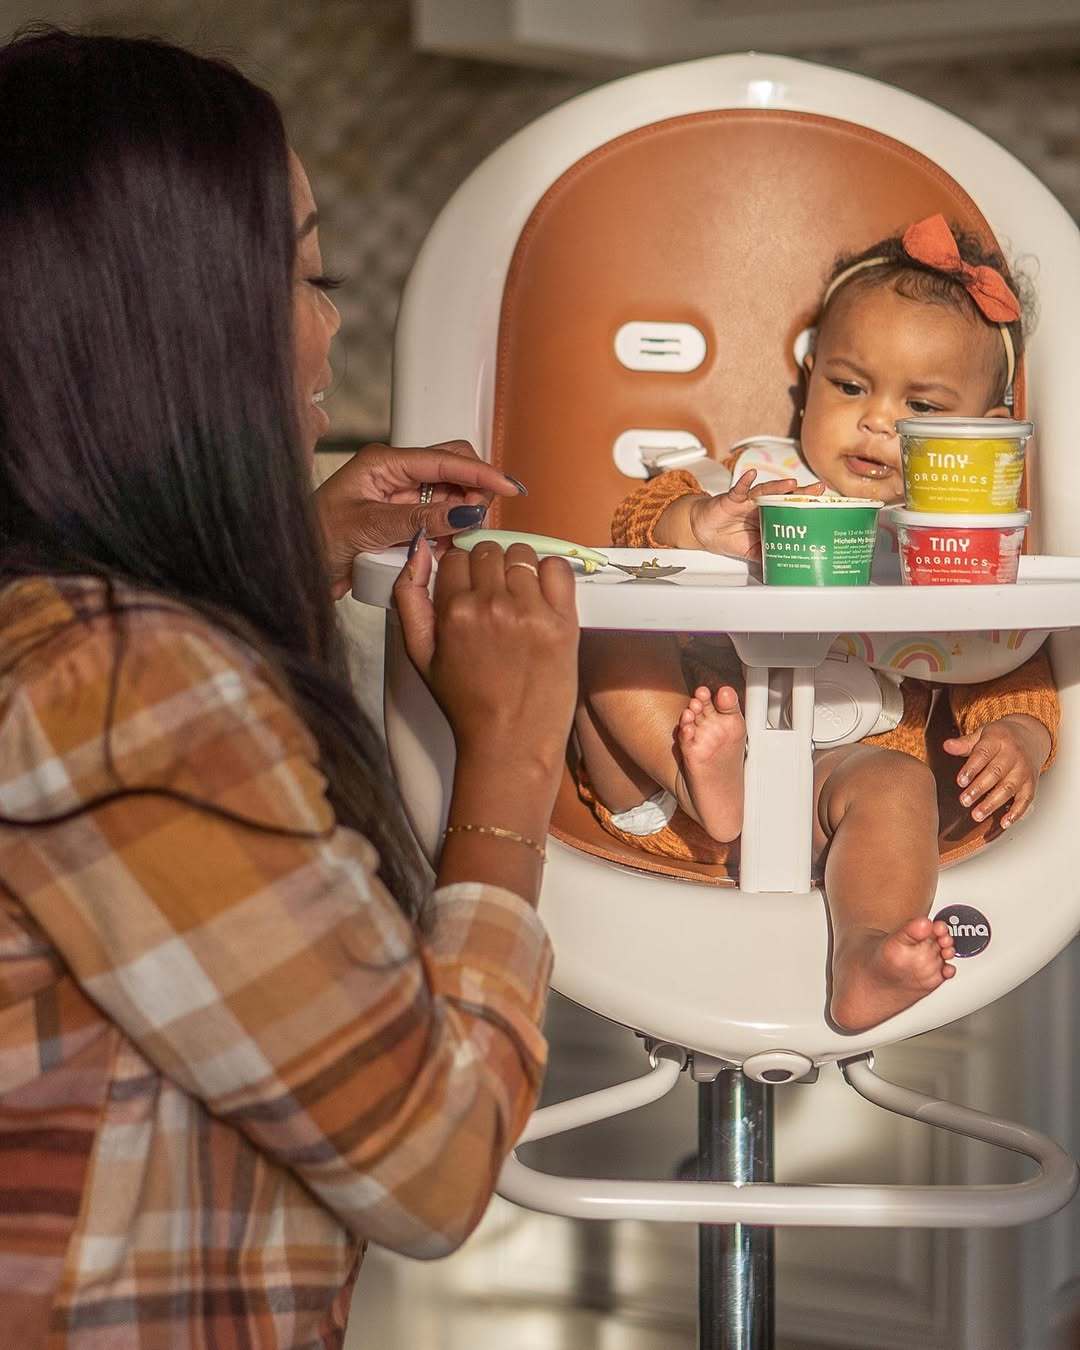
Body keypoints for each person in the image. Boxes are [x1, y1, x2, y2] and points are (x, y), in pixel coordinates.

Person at [0, 27, 578, 1349]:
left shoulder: (60, 638)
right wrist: (510, 757)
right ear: (180, 330)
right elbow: (430, 1167)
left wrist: (293, 551)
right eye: (308, 272)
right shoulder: (129, 694)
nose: (330, 325)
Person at [575, 215, 1059, 1032]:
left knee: (896, 784)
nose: (874, 422)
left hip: (823, 799)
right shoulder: (755, 477)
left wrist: (1018, 738)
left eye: (921, 404)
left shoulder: (954, 538)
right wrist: (700, 523)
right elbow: (638, 520)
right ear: (808, 382)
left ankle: (867, 949)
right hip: (661, 784)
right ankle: (703, 778)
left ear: (979, 427)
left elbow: (1003, 655)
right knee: (606, 638)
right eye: (849, 386)